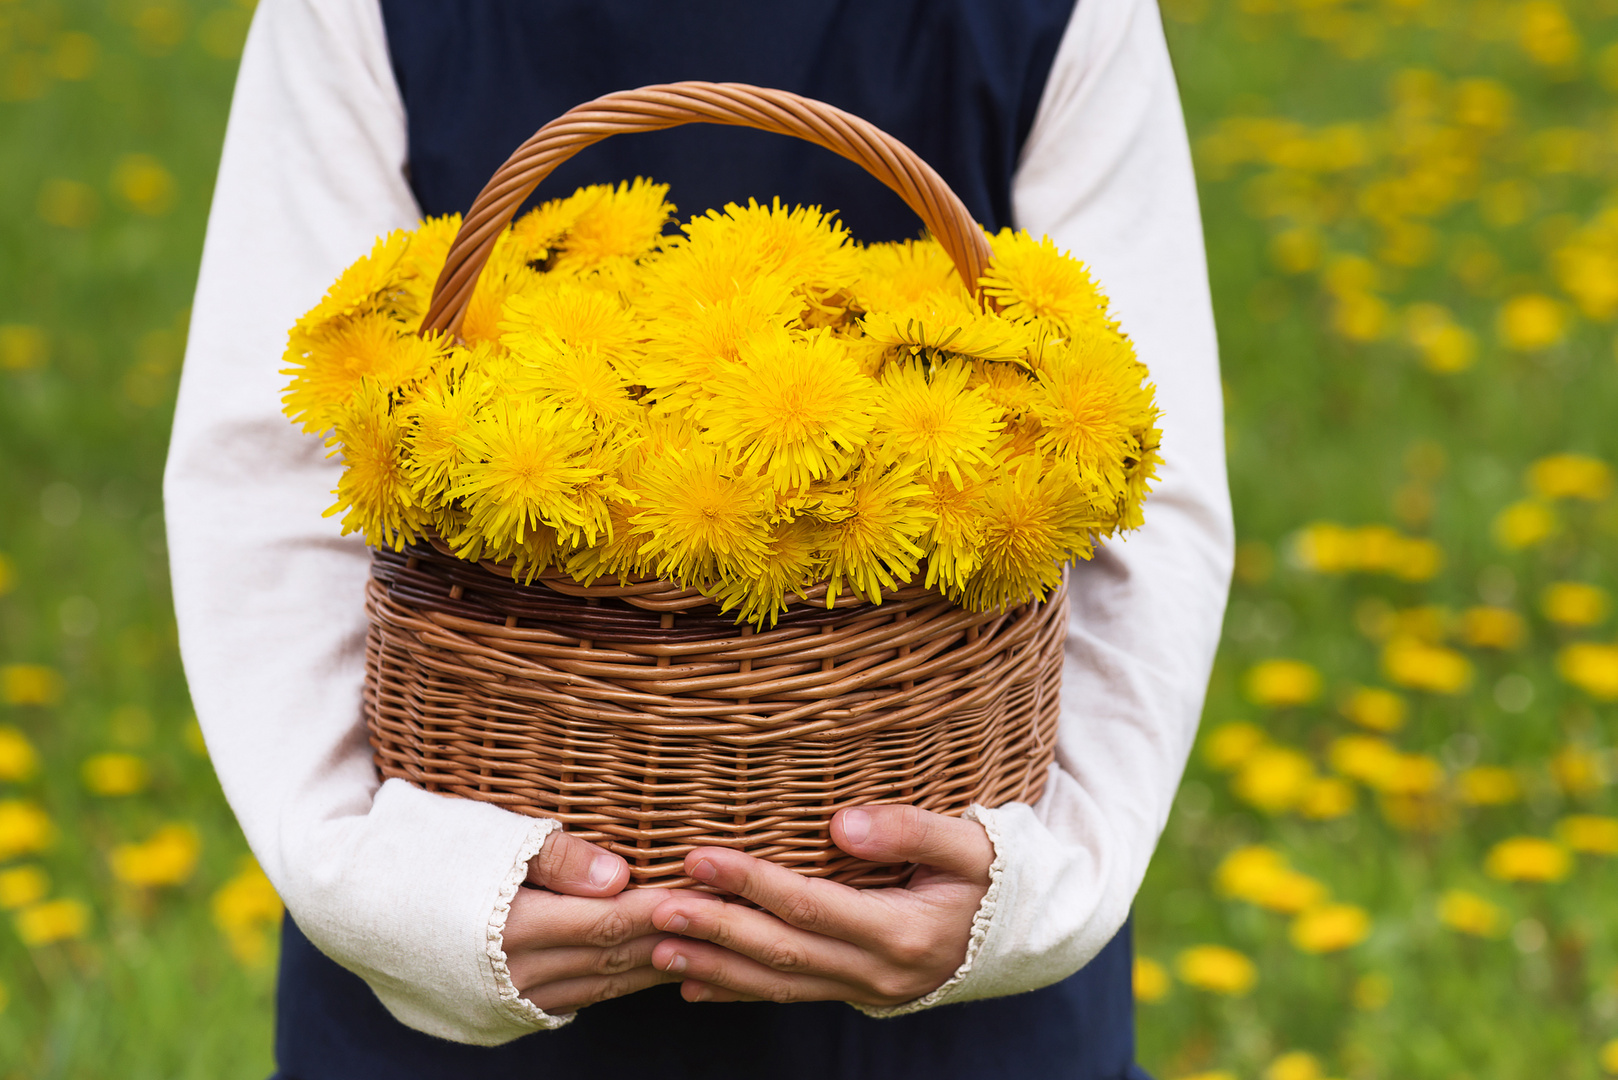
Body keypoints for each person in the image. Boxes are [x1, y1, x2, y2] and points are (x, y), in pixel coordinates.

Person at [164, 0, 1232, 1076]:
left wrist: (1041, 891)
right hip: (465, 931)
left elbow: (1145, 475)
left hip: (944, 938)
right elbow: (273, 468)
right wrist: (391, 891)